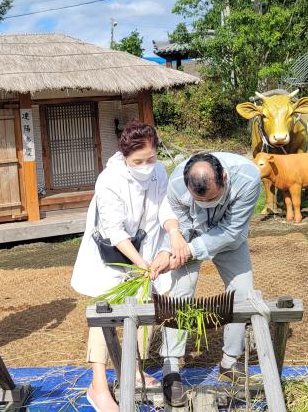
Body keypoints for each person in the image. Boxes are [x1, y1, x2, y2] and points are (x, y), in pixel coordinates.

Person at [70, 120, 176, 412]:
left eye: (151, 159)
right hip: (113, 254)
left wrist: (169, 243)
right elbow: (115, 231)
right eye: (138, 161)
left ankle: (133, 371)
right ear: (125, 157)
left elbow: (165, 209)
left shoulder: (159, 172)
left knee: (146, 308)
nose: (146, 166)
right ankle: (98, 387)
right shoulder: (109, 179)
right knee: (105, 313)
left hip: (146, 250)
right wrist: (142, 264)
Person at [152, 152, 262, 407]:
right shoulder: (177, 182)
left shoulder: (248, 178)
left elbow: (232, 231)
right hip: (191, 234)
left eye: (212, 199)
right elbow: (178, 225)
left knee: (242, 293)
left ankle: (229, 362)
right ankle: (171, 367)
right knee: (180, 293)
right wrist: (169, 250)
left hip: (229, 238)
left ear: (224, 177)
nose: (206, 205)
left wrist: (188, 251)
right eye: (199, 200)